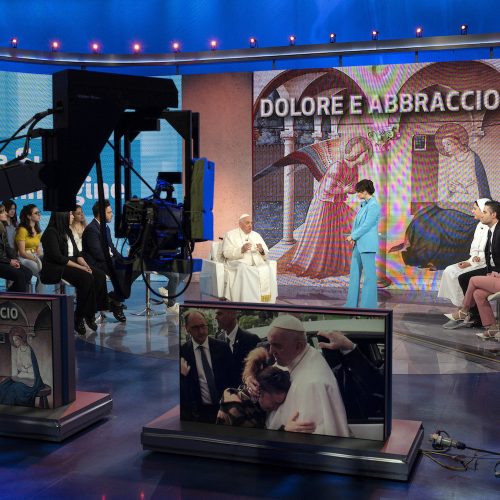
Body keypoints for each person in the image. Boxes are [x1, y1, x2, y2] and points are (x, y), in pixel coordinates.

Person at [393, 123, 491, 270]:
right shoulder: (451, 161)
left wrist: (463, 190)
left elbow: (480, 187)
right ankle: (412, 246)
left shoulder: (472, 158)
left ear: (457, 143)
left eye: (448, 144)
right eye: (444, 145)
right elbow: (449, 187)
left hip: (470, 204)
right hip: (454, 202)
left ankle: (438, 259)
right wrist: (449, 193)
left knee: (438, 222)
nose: (446, 148)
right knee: (424, 214)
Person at [280, 136, 373, 278]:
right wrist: (345, 189)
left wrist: (354, 189)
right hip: (324, 204)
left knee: (348, 227)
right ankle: (318, 266)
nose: (364, 156)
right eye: (362, 152)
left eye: (365, 153)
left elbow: (352, 187)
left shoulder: (354, 169)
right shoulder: (338, 166)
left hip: (336, 203)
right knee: (323, 237)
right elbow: (327, 189)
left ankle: (337, 264)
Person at [263, 315, 350, 437]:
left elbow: (310, 440)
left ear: (298, 346)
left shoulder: (313, 384)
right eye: (270, 344)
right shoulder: (291, 359)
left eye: (278, 346)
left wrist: (283, 434)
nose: (271, 351)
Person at [216, 346, 315, 433]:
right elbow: (255, 443)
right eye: (276, 402)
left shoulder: (255, 401)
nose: (276, 408)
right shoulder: (234, 404)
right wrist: (285, 431)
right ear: (260, 391)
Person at [41, 211, 109, 335]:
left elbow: (77, 254)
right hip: (57, 266)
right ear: (62, 216)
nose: (72, 216)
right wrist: (80, 268)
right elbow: (58, 257)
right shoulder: (50, 233)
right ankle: (79, 316)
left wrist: (85, 265)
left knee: (99, 275)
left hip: (71, 262)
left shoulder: (67, 231)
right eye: (70, 214)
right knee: (86, 277)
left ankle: (90, 313)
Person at [446, 201, 500, 341]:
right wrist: (491, 271)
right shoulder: (491, 231)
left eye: (485, 212)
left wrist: (498, 271)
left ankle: (464, 311)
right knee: (478, 294)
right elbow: (491, 257)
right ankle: (492, 328)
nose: (482, 214)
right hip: (495, 275)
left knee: (473, 279)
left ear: (493, 215)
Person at [438, 199, 490, 327]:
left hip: (484, 264)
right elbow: (474, 248)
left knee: (460, 275)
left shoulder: (492, 227)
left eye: (475, 208)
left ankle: (465, 311)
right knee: (449, 270)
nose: (472, 211)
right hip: (475, 260)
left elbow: (489, 253)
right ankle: (462, 308)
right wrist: (472, 259)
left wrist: (472, 263)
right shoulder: (479, 225)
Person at [180, 310, 235, 423]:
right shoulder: (183, 353)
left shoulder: (222, 348)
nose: (201, 331)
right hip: (199, 415)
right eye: (195, 328)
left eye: (203, 326)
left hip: (226, 408)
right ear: (187, 328)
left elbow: (233, 378)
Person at [82, 200, 126, 322]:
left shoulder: (106, 228)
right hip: (97, 264)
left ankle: (113, 298)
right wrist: (115, 261)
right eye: (109, 212)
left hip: (107, 261)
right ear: (101, 214)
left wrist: (122, 259)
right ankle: (116, 303)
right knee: (121, 271)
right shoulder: (91, 229)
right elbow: (98, 254)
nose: (112, 214)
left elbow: (111, 248)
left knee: (129, 267)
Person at [221, 214, 277, 303]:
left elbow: (266, 254)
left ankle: (264, 301)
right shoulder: (230, 235)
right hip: (237, 262)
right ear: (240, 224)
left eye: (251, 223)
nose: (250, 225)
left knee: (267, 268)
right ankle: (245, 300)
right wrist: (241, 250)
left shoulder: (256, 235)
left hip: (256, 263)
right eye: (247, 223)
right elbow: (226, 253)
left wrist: (262, 251)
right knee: (243, 268)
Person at [344, 179, 380, 309]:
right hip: (358, 244)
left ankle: (368, 306)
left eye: (358, 192)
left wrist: (353, 236)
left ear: (365, 191)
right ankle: (351, 304)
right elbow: (358, 225)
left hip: (367, 245)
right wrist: (354, 237)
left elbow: (366, 226)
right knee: (354, 275)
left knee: (369, 277)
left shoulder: (373, 205)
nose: (357, 194)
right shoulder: (364, 205)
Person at [0, 326, 45, 407]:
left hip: (31, 377)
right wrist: (22, 368)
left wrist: (24, 367)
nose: (15, 342)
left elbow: (30, 365)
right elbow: (19, 366)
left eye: (16, 340)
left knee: (15, 387)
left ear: (21, 339)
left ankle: (12, 409)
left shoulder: (28, 350)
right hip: (22, 375)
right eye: (14, 340)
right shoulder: (18, 350)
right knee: (5, 384)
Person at [215, 308, 260, 385]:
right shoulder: (218, 338)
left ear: (233, 314)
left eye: (219, 314)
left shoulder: (251, 339)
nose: (215, 317)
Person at [0, 204, 33, 292]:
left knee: (28, 273)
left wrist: (15, 259)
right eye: (2, 212)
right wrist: (9, 261)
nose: (6, 213)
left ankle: (9, 295)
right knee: (20, 275)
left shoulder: (2, 228)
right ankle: (20, 299)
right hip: (2, 262)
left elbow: (7, 248)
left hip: (4, 261)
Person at [15, 204, 44, 293]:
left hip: (34, 256)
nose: (39, 215)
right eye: (36, 213)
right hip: (23, 258)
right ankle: (39, 298)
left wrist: (42, 258)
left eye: (39, 212)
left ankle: (40, 297)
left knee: (46, 272)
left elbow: (39, 250)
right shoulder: (22, 230)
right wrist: (36, 259)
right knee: (42, 275)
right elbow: (22, 252)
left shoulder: (37, 231)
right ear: (29, 216)